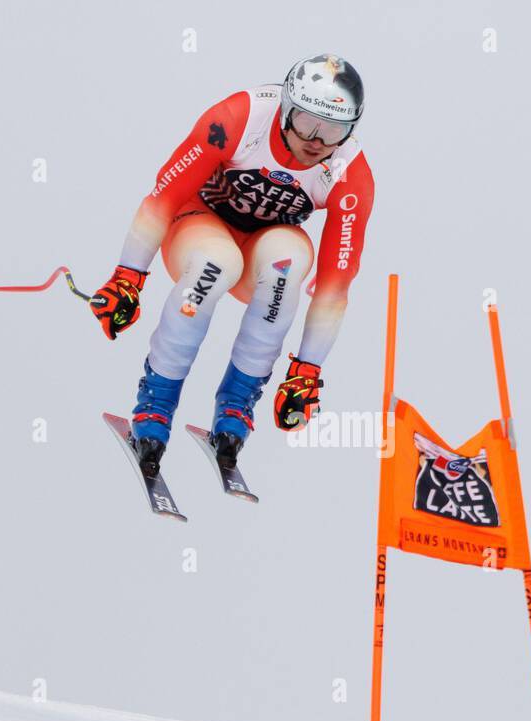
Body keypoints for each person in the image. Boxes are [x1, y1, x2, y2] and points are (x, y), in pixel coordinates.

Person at [90, 54, 375, 474]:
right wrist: (127, 277)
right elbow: (162, 198)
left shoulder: (350, 172)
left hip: (261, 249)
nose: (316, 140)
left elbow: (335, 285)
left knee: (288, 264)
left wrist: (307, 371)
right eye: (307, 123)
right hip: (198, 225)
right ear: (284, 110)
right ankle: (155, 406)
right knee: (215, 262)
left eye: (334, 130)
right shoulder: (238, 119)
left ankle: (236, 411)